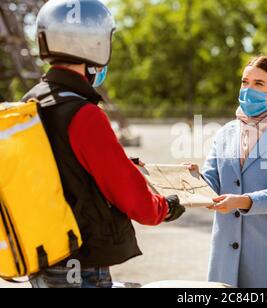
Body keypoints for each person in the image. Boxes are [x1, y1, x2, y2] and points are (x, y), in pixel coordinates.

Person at [24, 0, 185, 288]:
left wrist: (126, 165)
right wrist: (164, 208)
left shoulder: (32, 102)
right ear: (94, 43)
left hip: (44, 255)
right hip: (81, 263)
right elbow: (127, 191)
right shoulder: (83, 113)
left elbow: (64, 167)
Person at [185, 56, 267, 288]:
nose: (248, 89)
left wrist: (239, 201)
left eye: (259, 84)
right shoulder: (225, 133)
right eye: (245, 82)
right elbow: (212, 183)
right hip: (225, 253)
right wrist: (192, 178)